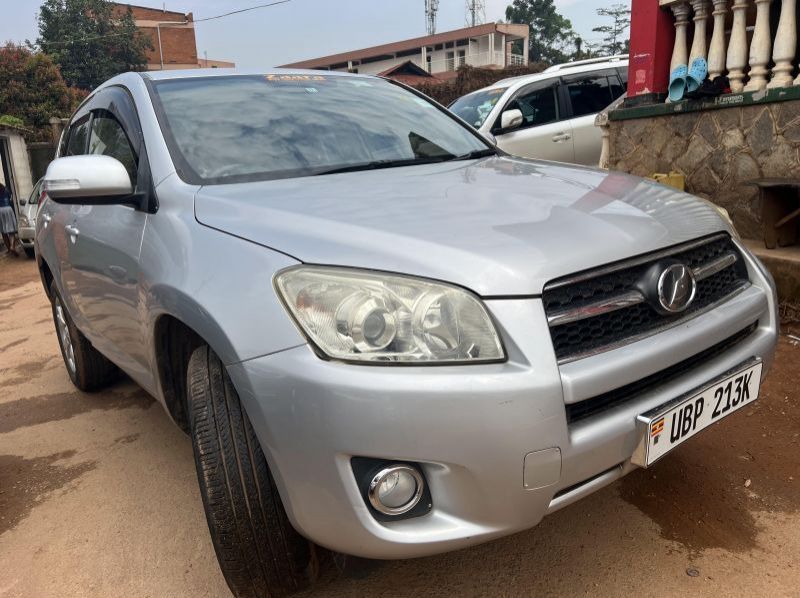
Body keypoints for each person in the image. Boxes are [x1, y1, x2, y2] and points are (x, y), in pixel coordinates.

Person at [0, 182, 20, 256]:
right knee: (11, 230)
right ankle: (12, 246)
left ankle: (8, 249)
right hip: (8, 209)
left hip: (0, 210)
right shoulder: (6, 190)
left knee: (3, 231)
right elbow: (10, 199)